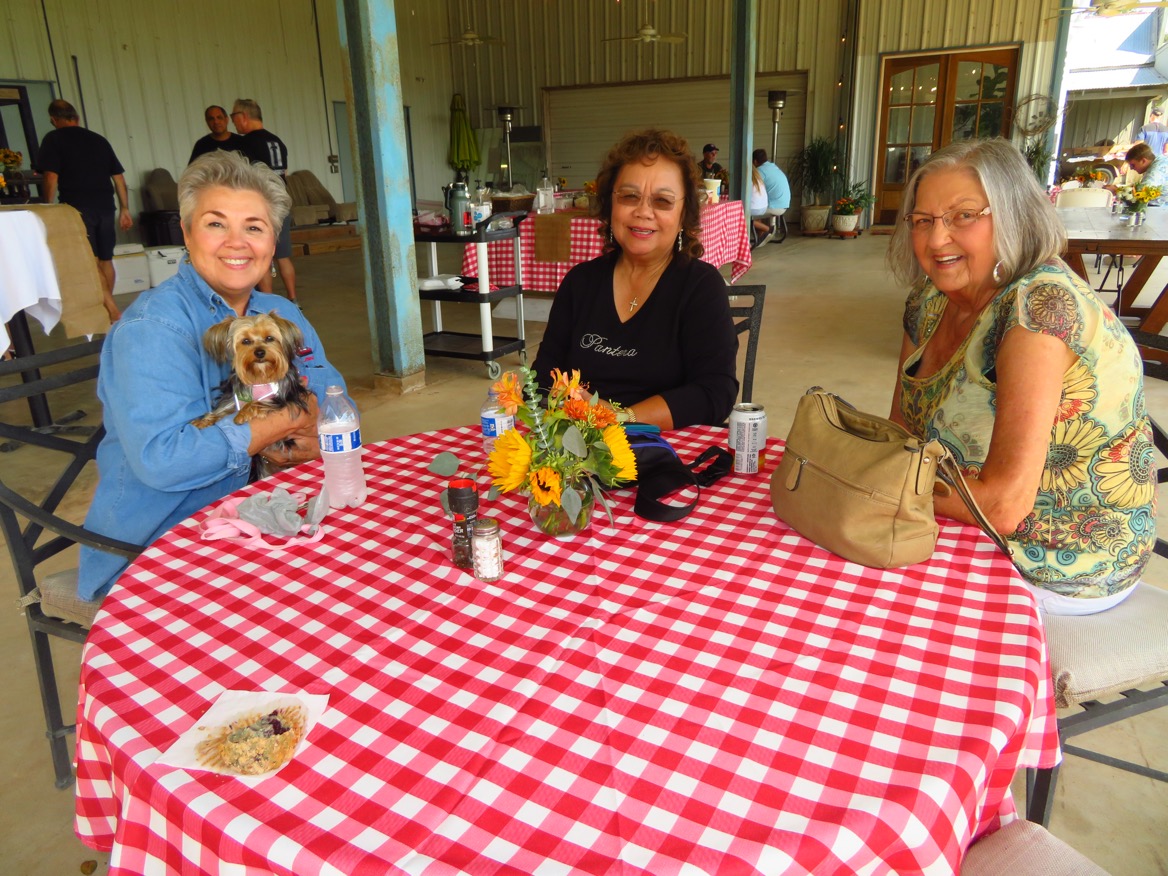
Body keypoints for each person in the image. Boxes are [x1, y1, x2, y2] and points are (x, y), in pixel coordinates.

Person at [887, 138, 1155, 616]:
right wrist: (885, 474)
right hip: (956, 526)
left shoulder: (1041, 308)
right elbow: (899, 436)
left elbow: (1003, 506)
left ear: (1012, 214)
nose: (935, 239)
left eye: (963, 216)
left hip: (1061, 566)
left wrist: (885, 480)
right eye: (922, 221)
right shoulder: (928, 300)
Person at [77, 151, 346, 602]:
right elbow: (166, 461)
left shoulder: (282, 314)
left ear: (273, 239)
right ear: (186, 232)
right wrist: (280, 423)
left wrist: (316, 436)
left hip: (265, 517)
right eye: (216, 223)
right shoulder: (151, 330)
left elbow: (336, 399)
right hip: (159, 548)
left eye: (254, 227)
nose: (236, 243)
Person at [532, 129, 738, 430]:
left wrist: (620, 418)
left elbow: (715, 394)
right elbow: (541, 379)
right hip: (577, 450)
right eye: (629, 196)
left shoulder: (700, 287)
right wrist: (570, 403)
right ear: (610, 204)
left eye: (663, 201)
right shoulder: (580, 283)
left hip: (666, 451)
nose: (643, 212)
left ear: (684, 215)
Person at [36, 99, 132, 322]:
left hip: (77, 209)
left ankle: (110, 309)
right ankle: (107, 308)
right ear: (76, 117)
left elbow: (51, 176)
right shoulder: (98, 140)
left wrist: (47, 208)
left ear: (53, 119)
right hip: (106, 206)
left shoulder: (53, 139)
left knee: (91, 260)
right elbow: (118, 177)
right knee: (106, 260)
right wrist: (125, 208)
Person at [231, 98, 298, 303]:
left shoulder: (246, 143)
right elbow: (284, 173)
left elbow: (243, 177)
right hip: (281, 203)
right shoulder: (277, 141)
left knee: (262, 257)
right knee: (283, 255)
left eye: (234, 117)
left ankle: (266, 303)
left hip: (261, 207)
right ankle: (293, 300)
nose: (233, 123)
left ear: (243, 117)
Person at [751, 148, 791, 243]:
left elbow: (752, 188)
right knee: (756, 207)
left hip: (774, 206)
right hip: (784, 204)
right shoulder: (773, 167)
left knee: (746, 214)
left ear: (755, 161)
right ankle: (761, 235)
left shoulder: (759, 171)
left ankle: (766, 229)